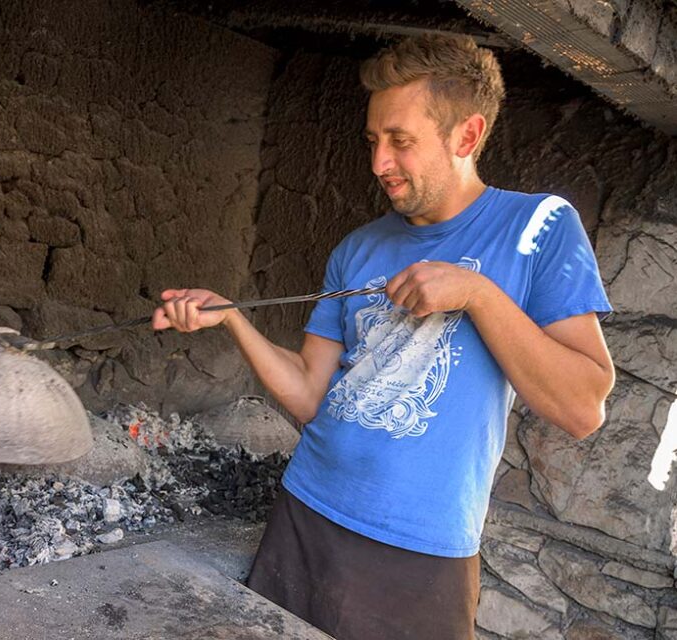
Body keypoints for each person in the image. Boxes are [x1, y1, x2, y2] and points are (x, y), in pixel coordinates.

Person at [151, 34, 615, 640]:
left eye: (401, 142)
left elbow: (583, 408)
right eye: (374, 141)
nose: (378, 164)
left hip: (421, 548)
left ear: (467, 137)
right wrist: (234, 319)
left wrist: (477, 294)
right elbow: (313, 397)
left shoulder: (538, 227)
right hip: (306, 511)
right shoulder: (357, 248)